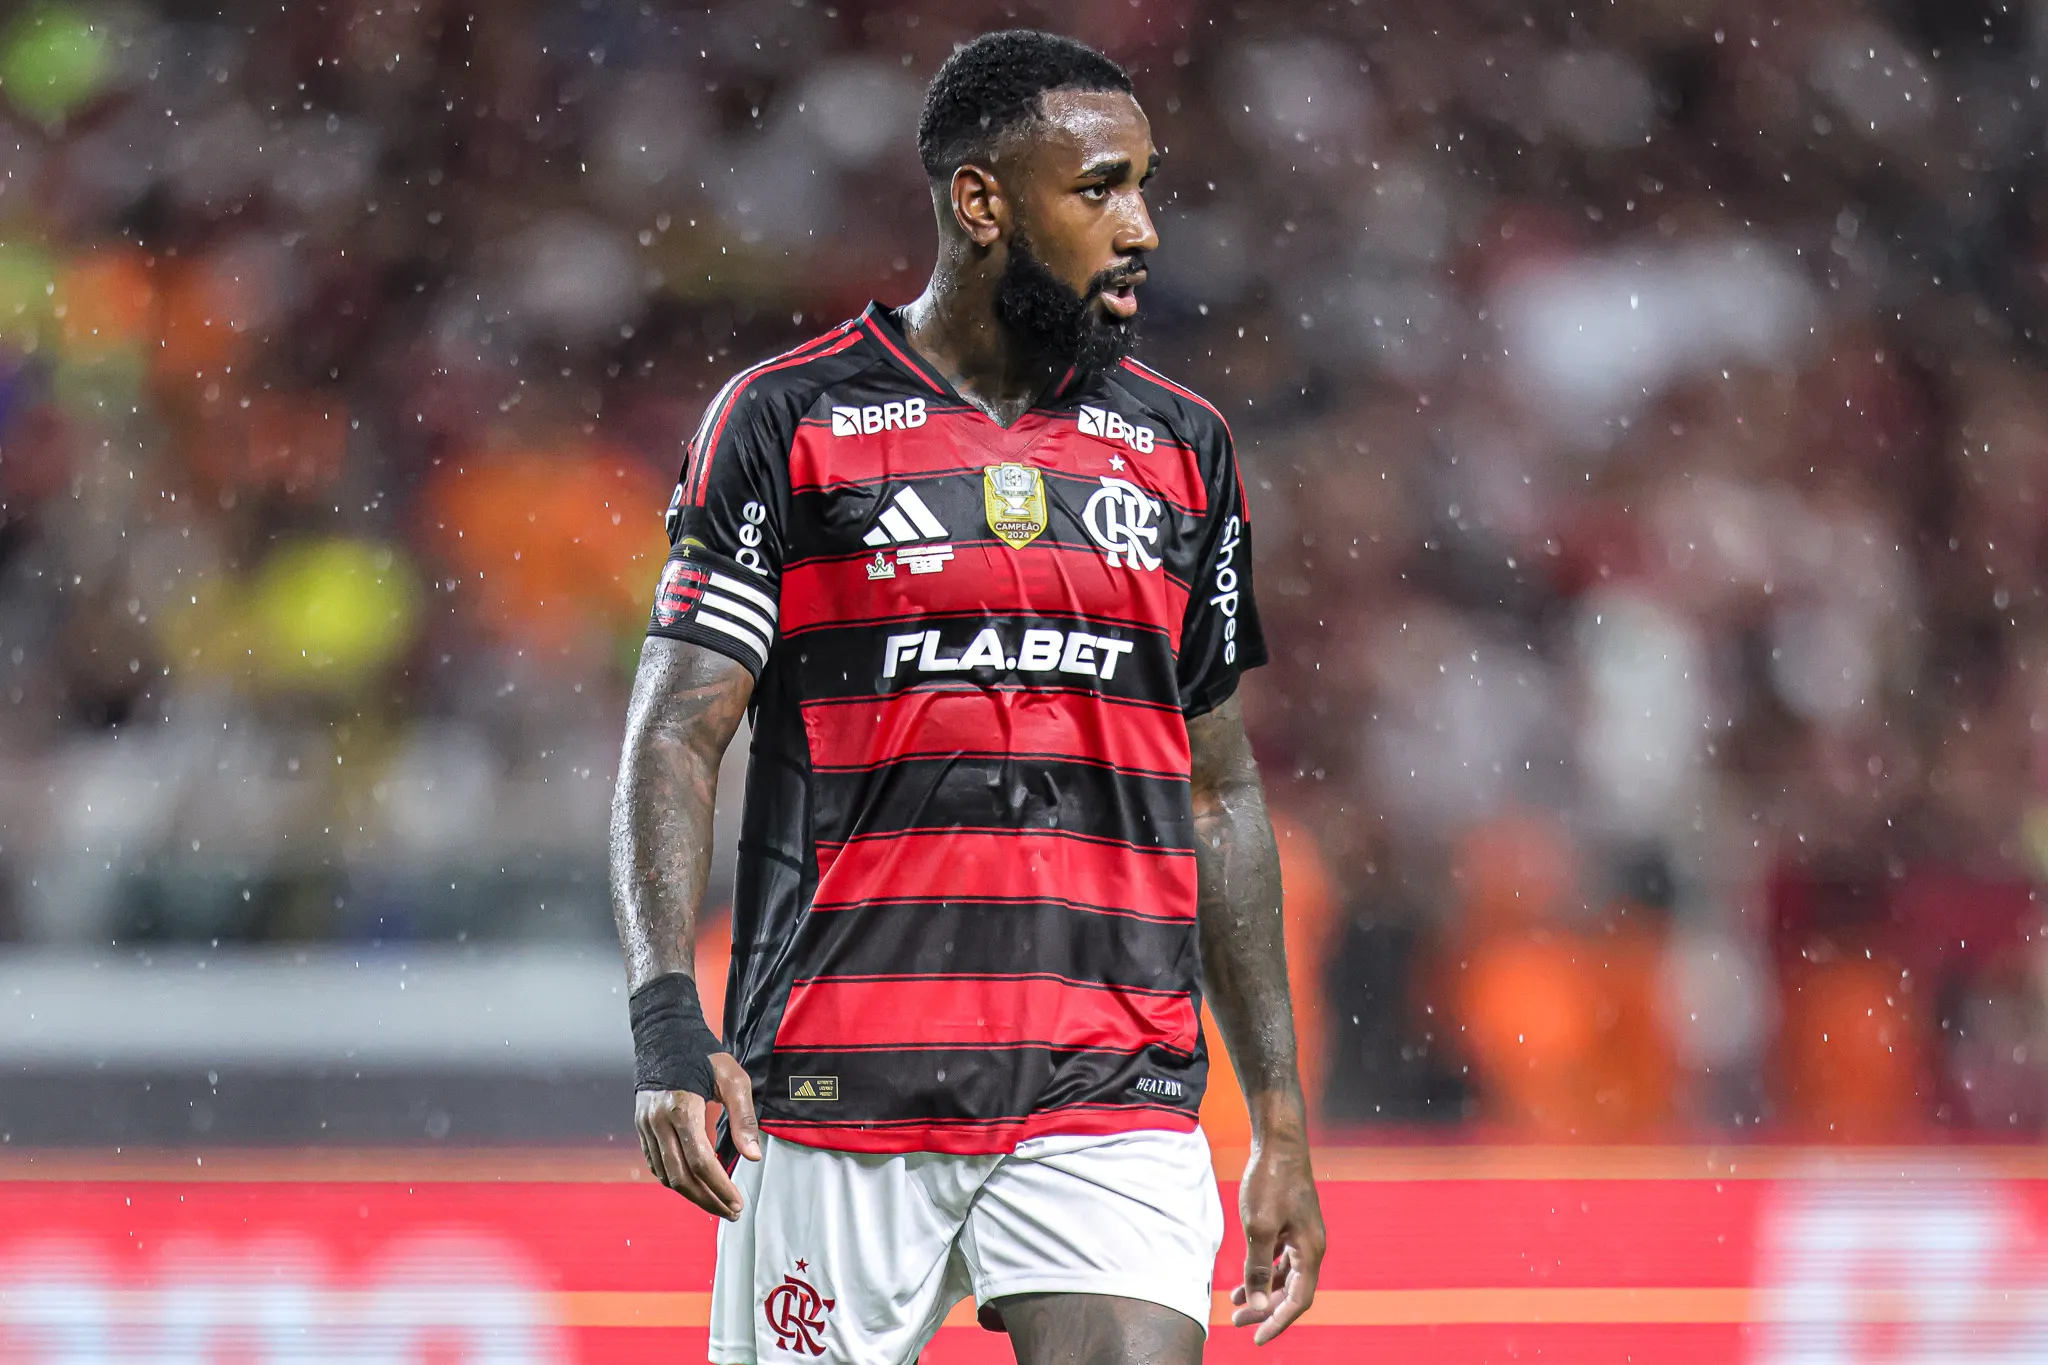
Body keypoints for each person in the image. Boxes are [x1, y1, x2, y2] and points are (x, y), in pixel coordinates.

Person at [609, 29, 1324, 1364]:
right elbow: (676, 733)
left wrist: (1277, 1116)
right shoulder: (787, 421)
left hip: (1108, 1085)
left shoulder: (1181, 451)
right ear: (983, 202)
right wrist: (664, 1025)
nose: (1145, 228)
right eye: (1102, 188)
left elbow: (1220, 795)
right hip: (835, 1085)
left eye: (1146, 186)